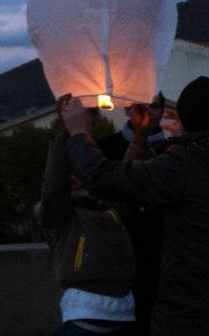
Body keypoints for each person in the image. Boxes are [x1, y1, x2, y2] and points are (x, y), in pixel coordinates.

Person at [60, 77, 209, 336]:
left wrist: (78, 131)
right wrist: (140, 138)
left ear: (184, 123)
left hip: (191, 318)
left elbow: (101, 177)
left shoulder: (184, 166)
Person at [38, 123, 136, 335]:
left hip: (124, 315)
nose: (74, 178)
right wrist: (66, 130)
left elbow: (129, 174)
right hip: (85, 321)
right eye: (69, 174)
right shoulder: (60, 216)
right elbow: (54, 187)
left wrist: (141, 133)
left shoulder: (110, 207)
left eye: (79, 171)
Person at [96, 94, 166, 336]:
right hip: (118, 249)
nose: (147, 113)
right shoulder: (104, 147)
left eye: (154, 106)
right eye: (141, 107)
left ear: (163, 111)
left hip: (161, 252)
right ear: (127, 111)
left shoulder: (173, 151)